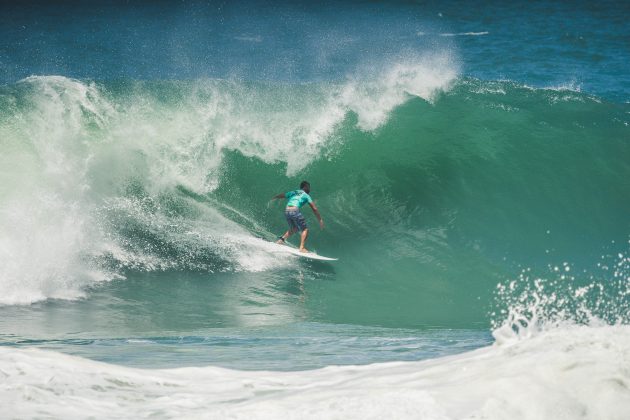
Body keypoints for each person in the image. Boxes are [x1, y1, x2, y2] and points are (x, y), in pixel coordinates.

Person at [272, 181, 324, 253]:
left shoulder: (294, 192)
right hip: (294, 210)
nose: (309, 189)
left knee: (294, 228)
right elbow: (314, 208)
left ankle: (281, 240)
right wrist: (320, 220)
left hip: (287, 210)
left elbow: (283, 195)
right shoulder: (306, 195)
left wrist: (275, 197)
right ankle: (302, 248)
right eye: (308, 187)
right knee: (305, 229)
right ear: (305, 187)